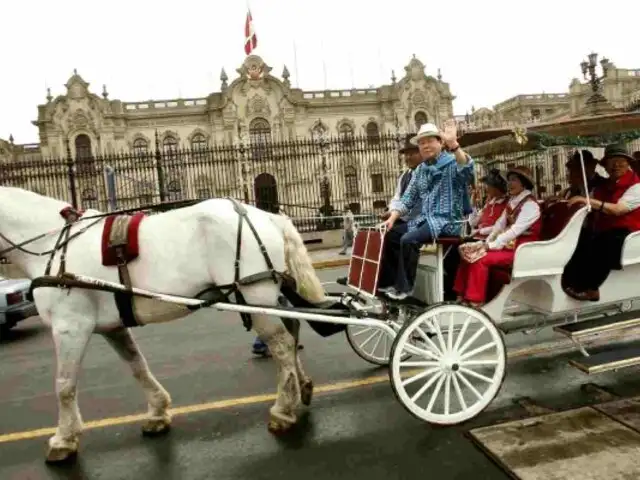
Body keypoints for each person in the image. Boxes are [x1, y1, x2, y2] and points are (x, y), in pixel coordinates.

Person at [379, 120, 475, 301]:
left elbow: (467, 170)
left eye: (430, 141)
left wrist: (454, 145)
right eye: (422, 143)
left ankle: (405, 289)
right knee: (390, 235)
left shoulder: (451, 162)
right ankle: (388, 284)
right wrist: (392, 219)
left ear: (440, 143)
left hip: (446, 221)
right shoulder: (420, 170)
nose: (425, 146)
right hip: (425, 220)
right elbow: (407, 199)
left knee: (408, 239)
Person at [335, 134, 424, 287]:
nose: (407, 157)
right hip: (401, 218)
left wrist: (393, 215)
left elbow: (414, 203)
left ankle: (395, 281)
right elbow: (397, 198)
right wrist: (389, 211)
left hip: (418, 221)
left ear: (421, 152)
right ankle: (364, 276)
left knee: (391, 236)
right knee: (372, 234)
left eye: (412, 153)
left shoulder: (423, 173)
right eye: (406, 154)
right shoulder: (405, 175)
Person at [453, 166, 541, 306]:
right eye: (509, 180)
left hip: (522, 250)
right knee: (468, 254)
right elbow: (499, 226)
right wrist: (484, 243)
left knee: (479, 259)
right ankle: (460, 295)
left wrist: (489, 245)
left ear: (524, 183)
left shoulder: (530, 205)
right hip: (509, 247)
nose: (510, 184)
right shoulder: (513, 203)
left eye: (514, 180)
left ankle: (475, 301)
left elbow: (515, 231)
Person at [562, 143, 640, 302]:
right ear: (605, 165)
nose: (616, 165)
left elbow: (619, 209)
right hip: (604, 228)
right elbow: (587, 198)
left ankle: (592, 288)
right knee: (579, 239)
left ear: (628, 163)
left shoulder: (636, 187)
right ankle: (569, 281)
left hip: (628, 232)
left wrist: (588, 201)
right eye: (612, 161)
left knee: (605, 241)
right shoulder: (604, 185)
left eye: (621, 160)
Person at [468, 168, 508, 239]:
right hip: (478, 239)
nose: (487, 188)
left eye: (489, 185)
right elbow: (473, 222)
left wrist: (480, 231)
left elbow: (501, 227)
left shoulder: (507, 204)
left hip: (492, 241)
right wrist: (472, 204)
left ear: (497, 187)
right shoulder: (489, 204)